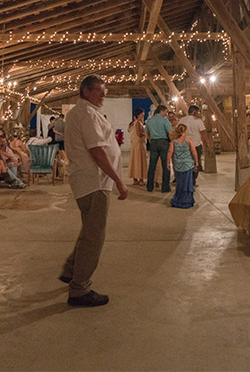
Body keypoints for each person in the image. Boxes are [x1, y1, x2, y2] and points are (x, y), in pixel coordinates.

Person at [59, 75, 128, 307]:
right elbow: (97, 152)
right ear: (86, 92)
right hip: (94, 182)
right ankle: (79, 289)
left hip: (89, 181)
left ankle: (71, 270)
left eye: (104, 90)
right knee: (94, 236)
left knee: (89, 229)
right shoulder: (86, 114)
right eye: (99, 90)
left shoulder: (83, 112)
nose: (103, 94)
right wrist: (118, 180)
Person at [167, 123, 198, 209]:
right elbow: (194, 151)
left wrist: (168, 163)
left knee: (179, 183)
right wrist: (196, 162)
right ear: (184, 131)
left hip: (178, 165)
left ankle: (178, 200)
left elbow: (170, 152)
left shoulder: (174, 142)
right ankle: (187, 201)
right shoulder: (189, 141)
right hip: (188, 164)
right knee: (187, 183)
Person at [178, 105, 210, 185]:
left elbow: (178, 132)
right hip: (195, 144)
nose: (198, 114)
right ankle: (192, 181)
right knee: (195, 163)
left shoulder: (182, 120)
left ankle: (185, 181)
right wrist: (207, 144)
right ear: (194, 112)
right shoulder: (198, 121)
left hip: (184, 144)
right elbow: (203, 133)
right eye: (197, 112)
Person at [145, 104, 173, 193]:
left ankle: (149, 187)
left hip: (153, 142)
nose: (166, 114)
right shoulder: (165, 121)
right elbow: (170, 133)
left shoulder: (149, 120)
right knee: (166, 165)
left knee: (152, 165)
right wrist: (172, 142)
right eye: (165, 112)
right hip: (163, 142)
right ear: (161, 111)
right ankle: (165, 187)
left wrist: (150, 141)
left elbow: (146, 133)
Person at [127, 109, 148, 186]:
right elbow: (139, 133)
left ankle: (135, 179)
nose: (143, 115)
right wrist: (145, 133)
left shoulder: (133, 123)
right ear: (138, 114)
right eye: (142, 114)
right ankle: (141, 179)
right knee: (140, 161)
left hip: (134, 144)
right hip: (139, 144)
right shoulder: (138, 123)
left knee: (135, 161)